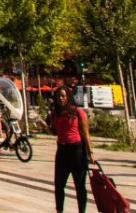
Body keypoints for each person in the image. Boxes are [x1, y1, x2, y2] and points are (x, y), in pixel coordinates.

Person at [47, 85, 93, 213]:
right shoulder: (55, 113)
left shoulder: (78, 112)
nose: (61, 98)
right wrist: (44, 126)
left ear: (68, 97)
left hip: (77, 151)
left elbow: (85, 133)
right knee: (59, 185)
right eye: (58, 96)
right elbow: (54, 132)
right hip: (62, 151)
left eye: (63, 96)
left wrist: (90, 152)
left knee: (80, 186)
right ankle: (59, 210)